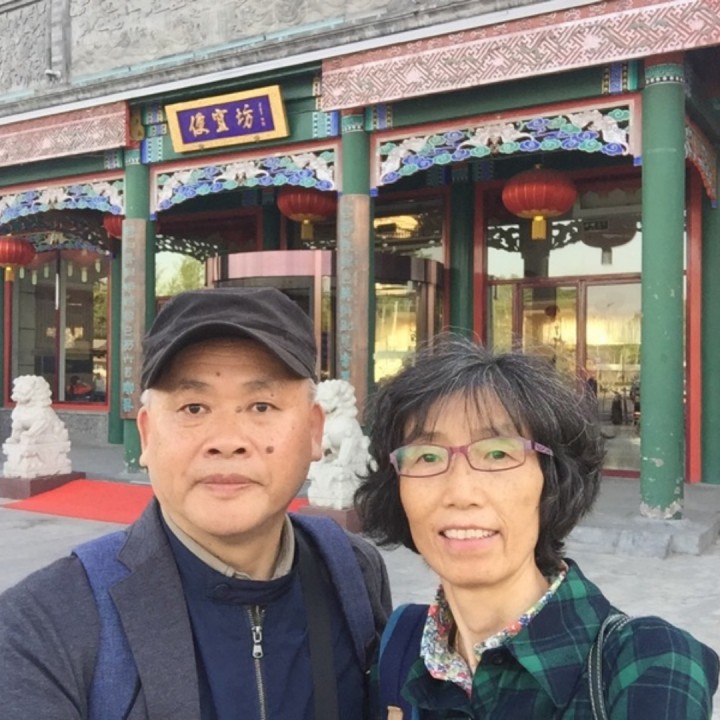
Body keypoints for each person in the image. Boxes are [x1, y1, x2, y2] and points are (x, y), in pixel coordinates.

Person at [0, 286, 392, 719]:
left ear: (316, 432)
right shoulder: (43, 625)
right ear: (147, 435)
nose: (227, 440)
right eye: (193, 408)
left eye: (262, 406)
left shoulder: (353, 572)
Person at [355, 334, 719, 719]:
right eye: (427, 457)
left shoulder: (647, 664)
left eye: (498, 453)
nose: (460, 493)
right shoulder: (401, 648)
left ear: (553, 479)